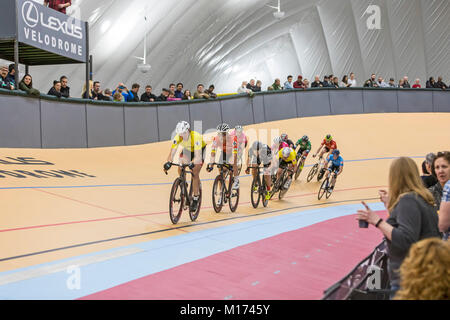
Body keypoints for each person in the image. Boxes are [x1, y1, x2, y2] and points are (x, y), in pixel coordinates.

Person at [356, 157, 441, 298]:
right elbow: (407, 226)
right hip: (423, 275)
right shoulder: (419, 199)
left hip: (409, 279)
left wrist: (377, 221)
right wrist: (390, 207)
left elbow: (405, 239)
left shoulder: (408, 201)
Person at [164, 121, 206, 212]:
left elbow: (198, 156)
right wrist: (168, 162)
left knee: (195, 172)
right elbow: (172, 152)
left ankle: (195, 198)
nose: (181, 135)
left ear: (188, 131)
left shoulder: (196, 137)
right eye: (180, 134)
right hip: (188, 150)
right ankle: (183, 182)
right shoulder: (178, 137)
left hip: (199, 151)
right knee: (180, 165)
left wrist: (192, 162)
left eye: (183, 133)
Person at [207, 124, 239, 190]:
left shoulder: (233, 139)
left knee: (233, 163)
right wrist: (211, 165)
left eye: (223, 134)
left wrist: (232, 162)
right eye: (220, 134)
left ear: (227, 134)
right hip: (224, 153)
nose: (221, 137)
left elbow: (234, 154)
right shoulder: (216, 139)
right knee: (221, 171)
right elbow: (213, 152)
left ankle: (236, 181)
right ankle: (221, 192)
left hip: (232, 152)